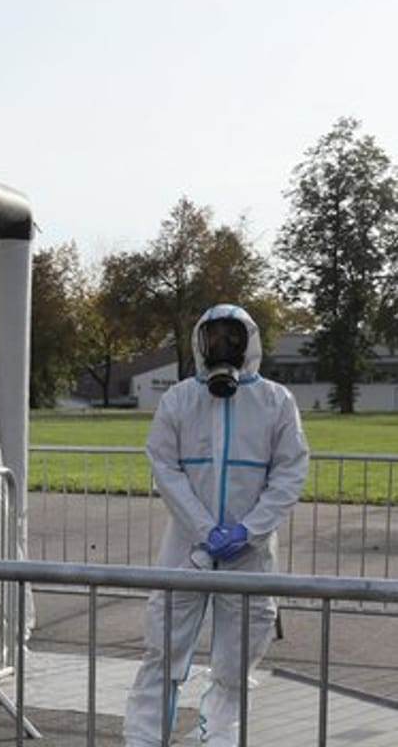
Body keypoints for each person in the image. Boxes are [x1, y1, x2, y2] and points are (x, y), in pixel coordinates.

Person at [122, 304, 308, 747]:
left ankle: (221, 739)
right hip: (186, 549)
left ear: (250, 342)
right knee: (162, 651)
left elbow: (290, 471)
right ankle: (143, 740)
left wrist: (249, 530)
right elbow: (164, 467)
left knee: (236, 661)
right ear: (199, 343)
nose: (224, 346)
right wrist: (205, 529)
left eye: (233, 336)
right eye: (214, 336)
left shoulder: (275, 401)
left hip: (252, 555)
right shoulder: (180, 399)